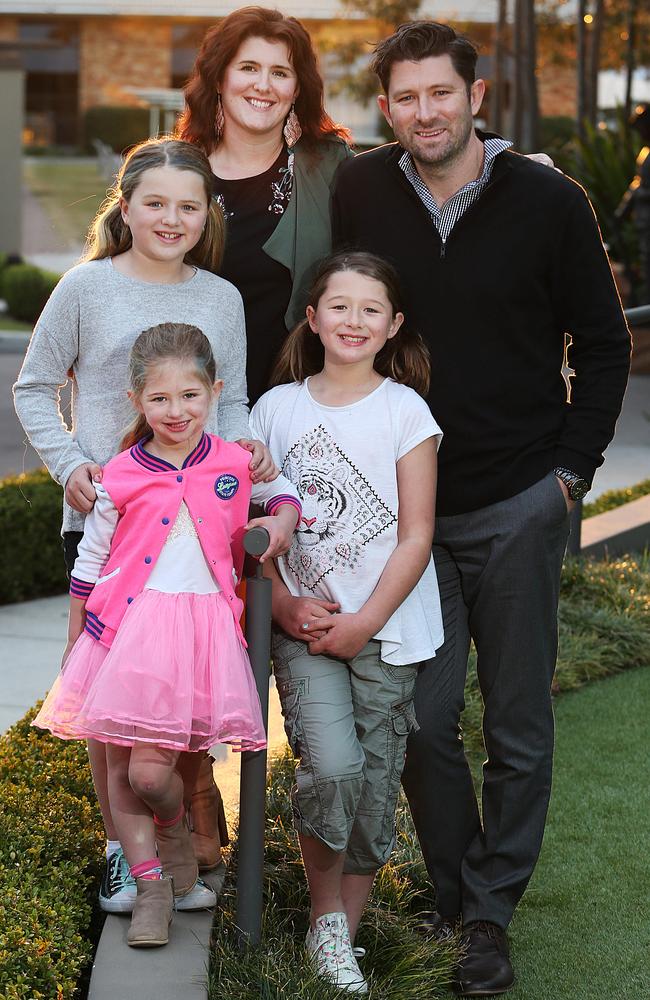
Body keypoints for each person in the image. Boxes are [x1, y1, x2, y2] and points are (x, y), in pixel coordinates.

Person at [331, 20, 631, 997]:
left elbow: (601, 340)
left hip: (514, 500)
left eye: (439, 93)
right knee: (419, 719)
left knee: (514, 722)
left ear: (474, 97)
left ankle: (486, 915)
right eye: (405, 97)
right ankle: (462, 894)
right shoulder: (361, 189)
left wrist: (567, 476)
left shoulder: (546, 199)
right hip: (398, 511)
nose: (424, 112)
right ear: (386, 108)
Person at [13, 136, 276, 915]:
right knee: (109, 700)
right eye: (154, 203)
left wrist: (248, 444)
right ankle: (121, 855)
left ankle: (184, 832)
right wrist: (72, 468)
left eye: (187, 206)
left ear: (207, 215)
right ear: (124, 207)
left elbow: (228, 403)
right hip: (111, 518)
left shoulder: (220, 299)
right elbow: (34, 387)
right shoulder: (87, 288)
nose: (171, 218)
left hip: (196, 530)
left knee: (182, 687)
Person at [32, 322, 302, 947]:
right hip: (122, 632)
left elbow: (283, 495)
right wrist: (78, 642)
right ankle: (153, 883)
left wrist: (282, 519)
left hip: (199, 635)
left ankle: (177, 833)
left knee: (152, 776)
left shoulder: (236, 462)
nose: (175, 411)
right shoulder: (122, 473)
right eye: (159, 399)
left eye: (190, 396)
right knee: (120, 771)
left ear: (215, 392)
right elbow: (91, 561)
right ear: (136, 402)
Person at [251, 251, 443, 993]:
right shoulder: (276, 410)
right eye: (339, 306)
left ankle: (339, 940)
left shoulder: (405, 411)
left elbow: (416, 534)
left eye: (371, 310)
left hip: (386, 631)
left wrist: (365, 621)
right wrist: (285, 601)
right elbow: (257, 521)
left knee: (372, 787)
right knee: (331, 768)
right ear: (312, 317)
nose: (354, 321)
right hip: (304, 630)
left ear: (393, 325)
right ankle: (325, 917)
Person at [177, 5, 353, 404]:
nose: (263, 85)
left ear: (297, 89)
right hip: (189, 412)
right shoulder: (178, 171)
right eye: (248, 68)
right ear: (220, 77)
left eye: (280, 73)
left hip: (299, 405)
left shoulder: (328, 167)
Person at [615, 103, 650, 304]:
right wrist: (622, 211)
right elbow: (637, 185)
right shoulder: (645, 152)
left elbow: (639, 188)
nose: (640, 132)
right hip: (644, 223)